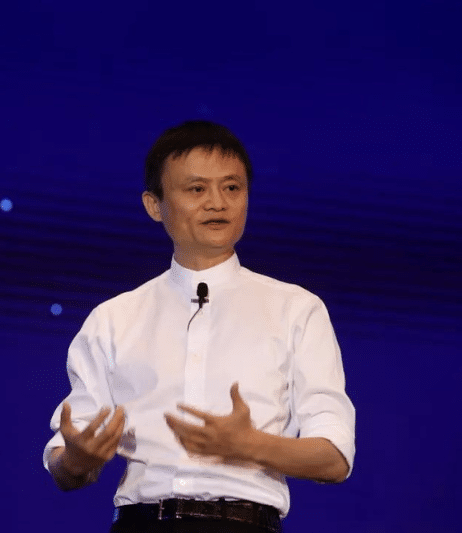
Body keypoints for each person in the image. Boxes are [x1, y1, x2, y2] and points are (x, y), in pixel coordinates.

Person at [43, 120, 355, 533]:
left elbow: (334, 458)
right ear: (154, 205)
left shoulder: (296, 309)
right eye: (196, 190)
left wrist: (249, 444)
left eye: (232, 188)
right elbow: (67, 463)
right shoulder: (114, 318)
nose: (217, 203)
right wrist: (77, 460)